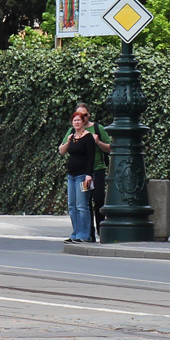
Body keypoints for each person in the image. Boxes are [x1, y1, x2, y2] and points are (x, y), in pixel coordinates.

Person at [62, 103, 110, 241]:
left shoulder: (96, 130)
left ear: (88, 115)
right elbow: (62, 150)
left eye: (83, 116)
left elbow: (108, 148)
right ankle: (86, 233)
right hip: (76, 173)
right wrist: (68, 142)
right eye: (76, 117)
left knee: (97, 200)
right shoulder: (72, 132)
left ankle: (100, 232)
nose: (80, 119)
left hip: (95, 170)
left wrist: (98, 142)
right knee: (80, 204)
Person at [58, 110, 94, 243]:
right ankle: (75, 233)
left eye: (79, 120)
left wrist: (89, 174)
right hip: (71, 175)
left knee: (82, 205)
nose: (77, 123)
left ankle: (84, 235)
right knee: (72, 205)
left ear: (83, 122)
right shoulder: (72, 137)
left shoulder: (88, 137)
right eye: (74, 120)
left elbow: (91, 157)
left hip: (83, 175)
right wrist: (68, 142)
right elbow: (62, 151)